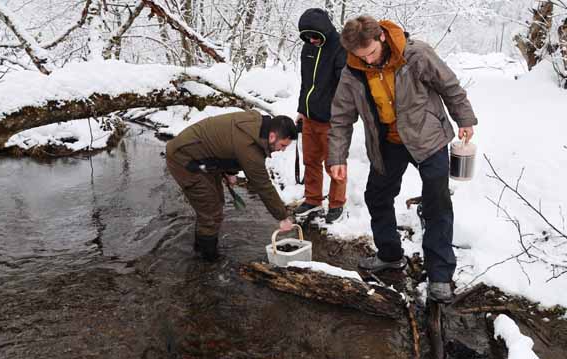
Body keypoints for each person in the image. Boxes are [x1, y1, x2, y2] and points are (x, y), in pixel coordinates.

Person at [328, 15, 478, 303]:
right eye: (361, 56)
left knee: (437, 203)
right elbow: (341, 118)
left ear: (382, 37)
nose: (368, 61)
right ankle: (389, 254)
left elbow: (449, 85)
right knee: (377, 196)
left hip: (429, 138)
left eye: (371, 53)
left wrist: (465, 118)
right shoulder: (353, 70)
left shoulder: (416, 54)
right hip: (388, 142)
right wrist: (337, 157)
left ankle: (441, 275)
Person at [166, 110, 297, 262]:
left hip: (201, 157)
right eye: (282, 145)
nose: (282, 150)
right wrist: (282, 216)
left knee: (215, 204)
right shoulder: (250, 149)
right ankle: (208, 261)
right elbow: (263, 186)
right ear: (272, 136)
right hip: (183, 159)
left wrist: (229, 171)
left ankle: (199, 249)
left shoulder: (255, 123)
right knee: (211, 212)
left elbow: (227, 142)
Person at [295, 8, 348, 224]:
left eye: (315, 36)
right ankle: (313, 200)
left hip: (331, 120)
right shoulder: (308, 47)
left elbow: (346, 87)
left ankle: (337, 203)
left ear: (324, 31)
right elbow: (305, 82)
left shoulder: (339, 48)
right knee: (310, 161)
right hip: (309, 116)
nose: (312, 40)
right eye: (307, 37)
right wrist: (301, 109)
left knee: (334, 163)